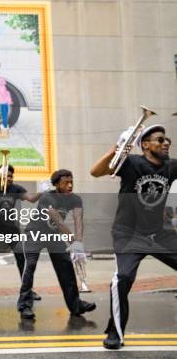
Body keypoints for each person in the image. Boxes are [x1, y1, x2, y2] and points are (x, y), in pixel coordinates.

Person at [90, 124, 177, 350]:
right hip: (128, 234)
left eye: (167, 139)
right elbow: (96, 172)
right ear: (145, 145)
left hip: (159, 234)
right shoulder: (131, 163)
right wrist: (119, 146)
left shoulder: (171, 166)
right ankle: (115, 333)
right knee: (122, 279)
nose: (166, 143)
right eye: (159, 140)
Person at [17, 169, 96, 320]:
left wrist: (79, 242)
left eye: (71, 182)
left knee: (66, 266)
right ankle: (24, 306)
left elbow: (78, 220)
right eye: (66, 183)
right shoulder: (48, 197)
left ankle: (76, 305)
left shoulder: (75, 199)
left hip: (53, 235)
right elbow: (58, 221)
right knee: (30, 266)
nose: (70, 186)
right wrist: (73, 241)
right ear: (56, 184)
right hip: (35, 233)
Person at [0, 164, 43, 301]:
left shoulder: (16, 188)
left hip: (10, 226)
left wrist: (42, 192)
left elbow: (31, 199)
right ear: (0, 176)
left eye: (11, 176)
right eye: (6, 176)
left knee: (21, 256)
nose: (10, 178)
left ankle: (28, 290)